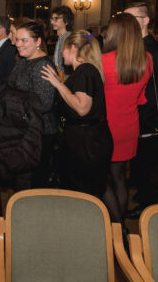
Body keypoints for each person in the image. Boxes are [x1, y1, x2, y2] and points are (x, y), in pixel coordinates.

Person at [124, 2, 158, 216]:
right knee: (143, 169)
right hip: (138, 121)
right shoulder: (131, 48)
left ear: (145, 20)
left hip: (156, 125)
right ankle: (146, 208)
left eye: (132, 18)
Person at [41, 31, 113, 197]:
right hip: (88, 140)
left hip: (86, 144)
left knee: (86, 193)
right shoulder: (85, 71)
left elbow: (82, 108)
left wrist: (59, 85)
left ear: (73, 48)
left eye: (63, 50)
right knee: (96, 190)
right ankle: (114, 223)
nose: (61, 54)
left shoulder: (85, 70)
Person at [101, 13, 152, 224]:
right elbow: (141, 99)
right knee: (120, 178)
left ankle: (115, 227)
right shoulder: (146, 60)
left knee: (100, 180)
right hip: (129, 126)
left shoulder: (103, 61)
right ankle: (119, 224)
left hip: (105, 128)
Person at [4, 21, 58, 189]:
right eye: (17, 39)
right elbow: (9, 86)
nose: (18, 44)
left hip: (40, 134)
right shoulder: (23, 60)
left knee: (34, 184)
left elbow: (44, 103)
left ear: (38, 42)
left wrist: (11, 101)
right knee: (21, 182)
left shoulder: (42, 65)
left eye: (24, 40)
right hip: (23, 130)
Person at [50, 5, 74, 74]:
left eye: (56, 19)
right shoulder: (62, 37)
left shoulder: (67, 38)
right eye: (52, 19)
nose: (52, 22)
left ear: (66, 21)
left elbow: (63, 66)